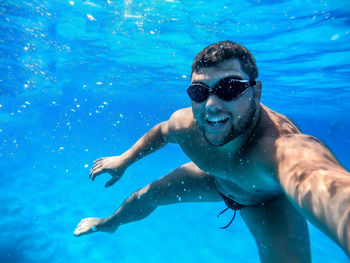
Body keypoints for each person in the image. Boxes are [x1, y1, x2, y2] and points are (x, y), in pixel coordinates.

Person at [74, 41, 350, 262]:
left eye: (230, 88)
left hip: (266, 201)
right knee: (147, 195)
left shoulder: (282, 147)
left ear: (256, 92)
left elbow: (321, 181)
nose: (211, 106)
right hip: (216, 180)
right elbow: (160, 132)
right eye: (199, 91)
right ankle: (108, 223)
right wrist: (124, 160)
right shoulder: (186, 123)